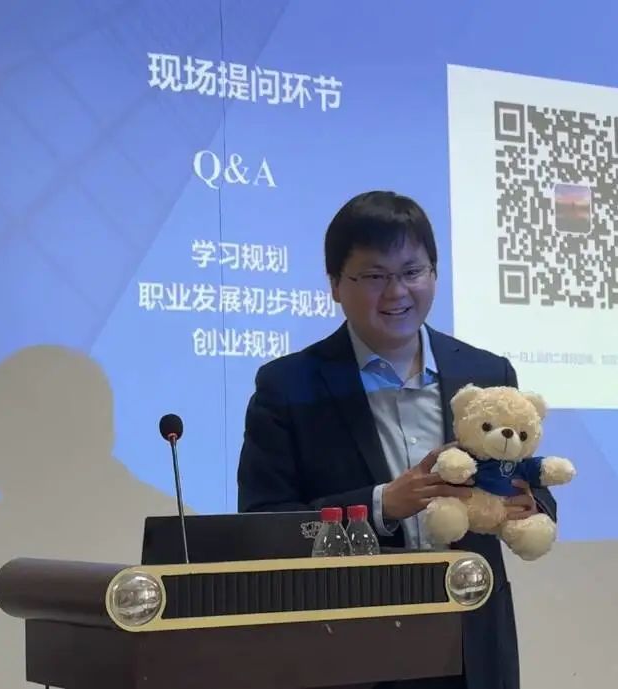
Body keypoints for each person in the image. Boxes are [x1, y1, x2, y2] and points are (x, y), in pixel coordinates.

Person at [236, 190, 557, 689]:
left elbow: (530, 486)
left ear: (434, 274)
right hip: (348, 648)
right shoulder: (288, 386)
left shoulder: (487, 372)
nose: (397, 293)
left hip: (472, 642)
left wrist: (528, 503)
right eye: (374, 276)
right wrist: (382, 504)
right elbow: (263, 523)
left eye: (412, 272)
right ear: (335, 284)